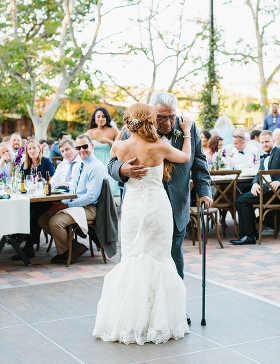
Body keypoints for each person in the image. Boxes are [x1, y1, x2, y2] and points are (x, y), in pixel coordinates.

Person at [93, 103, 191, 344]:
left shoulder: (119, 145)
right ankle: (157, 322)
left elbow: (111, 160)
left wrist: (122, 163)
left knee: (131, 258)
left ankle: (129, 322)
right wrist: (186, 133)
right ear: (149, 120)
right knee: (158, 259)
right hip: (157, 209)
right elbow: (186, 157)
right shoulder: (161, 146)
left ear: (129, 121)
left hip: (133, 211)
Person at [108, 91, 213, 285]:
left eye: (172, 117)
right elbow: (111, 164)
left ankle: (176, 310)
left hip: (175, 205)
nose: (167, 123)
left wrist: (204, 192)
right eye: (161, 117)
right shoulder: (131, 129)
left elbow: (199, 161)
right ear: (150, 114)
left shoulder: (188, 128)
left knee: (173, 259)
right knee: (134, 257)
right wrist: (122, 169)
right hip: (139, 210)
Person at [38, 134, 108, 264]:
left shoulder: (95, 167)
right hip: (77, 205)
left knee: (54, 222)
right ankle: (73, 247)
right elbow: (75, 188)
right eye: (79, 147)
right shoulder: (83, 164)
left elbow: (91, 197)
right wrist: (64, 202)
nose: (82, 150)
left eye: (85, 146)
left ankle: (67, 252)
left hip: (89, 208)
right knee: (43, 219)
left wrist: (67, 206)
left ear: (92, 146)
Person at [231, 130, 280, 245]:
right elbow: (259, 173)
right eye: (262, 142)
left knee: (241, 201)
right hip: (266, 190)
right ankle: (251, 233)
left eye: (267, 141)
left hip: (278, 193)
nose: (264, 144)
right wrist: (255, 183)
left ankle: (249, 236)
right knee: (241, 197)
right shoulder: (263, 157)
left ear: (273, 141)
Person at [12, 139, 57, 261]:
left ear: (39, 149)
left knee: (35, 213)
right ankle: (16, 238)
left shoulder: (46, 162)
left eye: (34, 148)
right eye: (29, 149)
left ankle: (28, 246)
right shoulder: (26, 164)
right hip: (31, 198)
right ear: (27, 151)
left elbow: (51, 180)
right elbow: (20, 181)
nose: (32, 150)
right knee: (22, 210)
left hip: (45, 200)